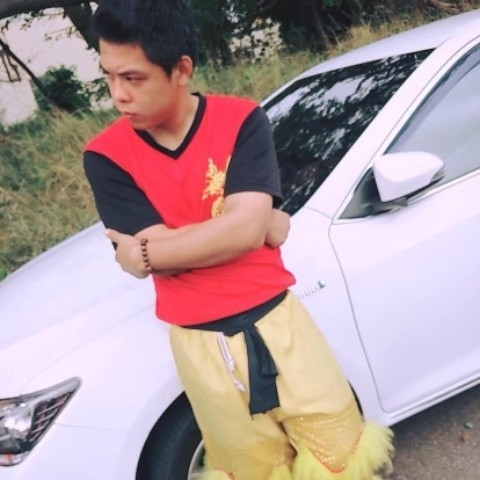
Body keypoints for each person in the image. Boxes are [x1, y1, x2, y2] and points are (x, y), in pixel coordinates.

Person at [83, 1, 394, 479]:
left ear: (181, 69)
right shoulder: (106, 156)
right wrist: (246, 224)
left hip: (280, 322)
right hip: (201, 344)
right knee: (251, 470)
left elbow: (235, 233)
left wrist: (144, 252)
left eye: (133, 78)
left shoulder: (240, 120)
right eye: (109, 76)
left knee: (340, 457)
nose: (118, 95)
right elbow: (240, 231)